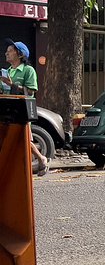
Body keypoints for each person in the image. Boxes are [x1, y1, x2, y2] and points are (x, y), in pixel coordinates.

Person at [0, 39, 48, 175]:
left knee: (22, 137)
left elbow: (31, 92)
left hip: (22, 109)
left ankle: (41, 159)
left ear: (20, 55)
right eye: (7, 51)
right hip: (7, 109)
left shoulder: (28, 70)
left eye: (10, 51)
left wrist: (11, 85)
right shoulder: (7, 71)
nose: (6, 54)